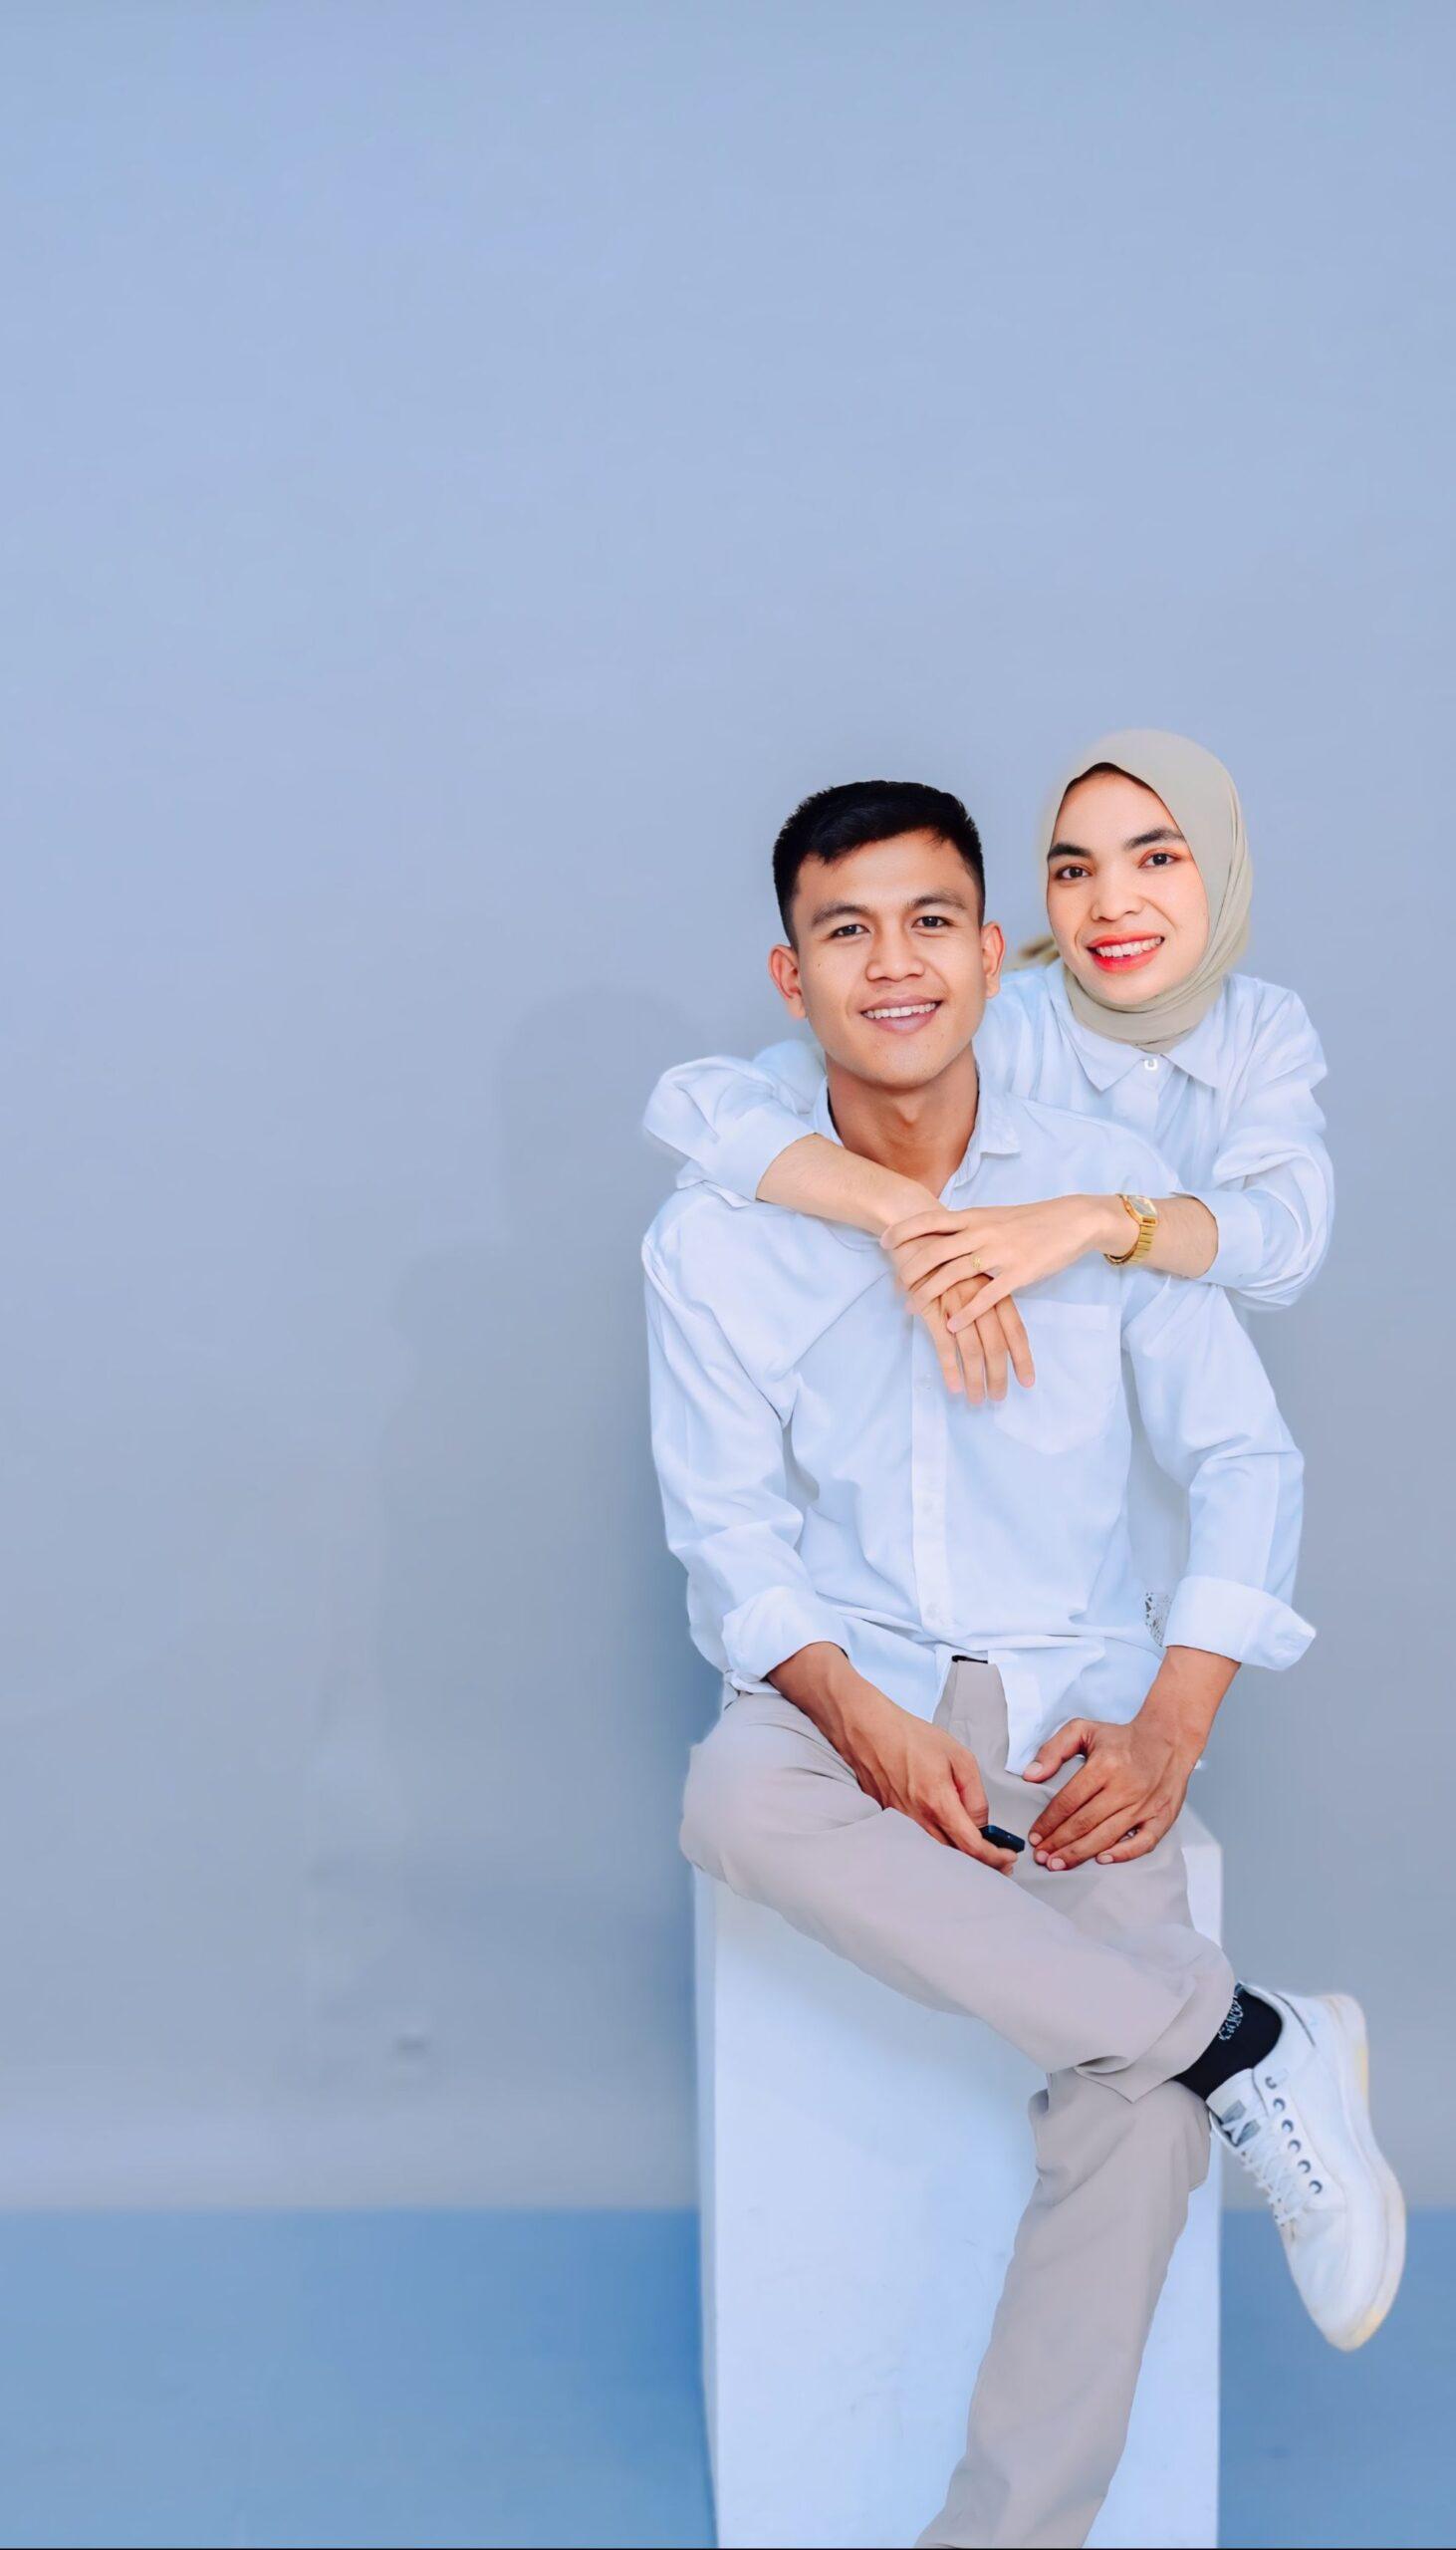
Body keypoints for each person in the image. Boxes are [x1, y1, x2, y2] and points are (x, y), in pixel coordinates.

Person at [642, 780, 1402, 2550]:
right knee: (733, 1799)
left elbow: (1243, 1462)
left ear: (995, 953)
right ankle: (1245, 2041)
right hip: (847, 1680)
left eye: (930, 923)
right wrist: (858, 1716)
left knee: (1132, 2113)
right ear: (789, 975)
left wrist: (1172, 1724)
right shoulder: (719, 1229)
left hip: (1075, 1699)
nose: (892, 965)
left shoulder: (1103, 1195)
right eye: (844, 932)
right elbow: (728, 1534)